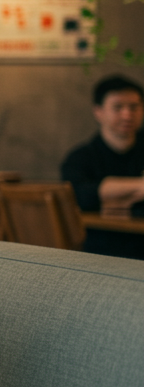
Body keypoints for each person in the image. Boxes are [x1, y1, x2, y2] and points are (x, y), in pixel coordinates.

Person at [61, 75, 144, 259]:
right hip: (99, 252)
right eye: (118, 107)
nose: (127, 114)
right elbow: (78, 196)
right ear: (98, 112)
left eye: (134, 107)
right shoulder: (80, 158)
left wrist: (112, 197)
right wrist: (140, 187)